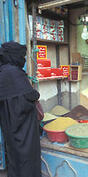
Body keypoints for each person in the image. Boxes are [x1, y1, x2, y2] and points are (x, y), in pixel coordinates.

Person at [0, 41, 41, 177]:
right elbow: (30, 95)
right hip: (23, 127)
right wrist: (36, 94)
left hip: (9, 125)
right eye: (22, 56)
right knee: (27, 156)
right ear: (14, 56)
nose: (23, 60)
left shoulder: (3, 70)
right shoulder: (14, 73)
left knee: (14, 154)